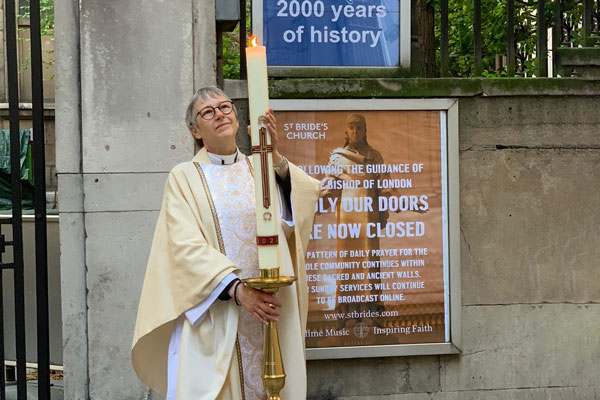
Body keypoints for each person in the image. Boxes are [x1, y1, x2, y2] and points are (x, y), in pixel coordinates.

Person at [131, 86, 320, 400]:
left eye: (225, 107)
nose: (220, 114)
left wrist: (272, 154)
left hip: (267, 315)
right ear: (195, 130)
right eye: (208, 112)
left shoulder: (259, 168)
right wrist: (238, 290)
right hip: (216, 316)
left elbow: (292, 219)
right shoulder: (184, 177)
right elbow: (183, 246)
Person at [321, 113, 394, 331]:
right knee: (347, 265)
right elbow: (328, 187)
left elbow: (385, 186)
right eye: (351, 127)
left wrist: (388, 208)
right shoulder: (337, 157)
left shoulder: (375, 156)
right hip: (347, 220)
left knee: (370, 264)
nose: (355, 131)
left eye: (359, 127)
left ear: (365, 131)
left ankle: (372, 313)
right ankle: (346, 314)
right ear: (346, 132)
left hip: (369, 218)